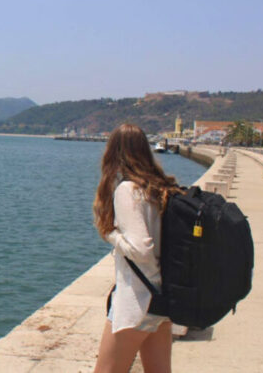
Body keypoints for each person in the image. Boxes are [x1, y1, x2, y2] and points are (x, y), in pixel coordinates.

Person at [93, 124, 182, 373]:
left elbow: (142, 250)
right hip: (162, 299)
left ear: (114, 152)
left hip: (138, 302)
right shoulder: (160, 188)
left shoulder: (128, 190)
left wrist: (111, 234)